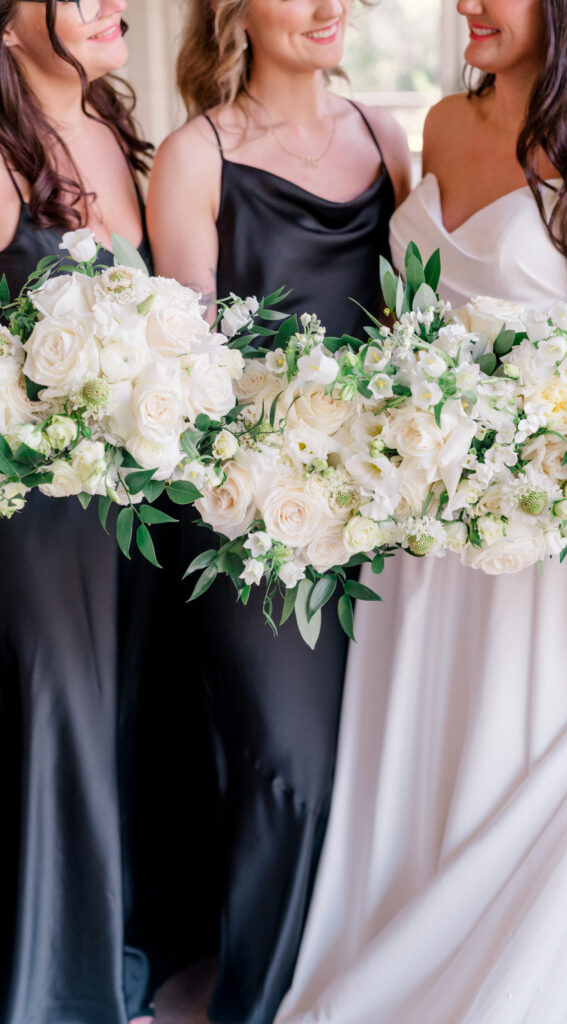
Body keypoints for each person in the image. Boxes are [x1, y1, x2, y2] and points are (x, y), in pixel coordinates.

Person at [274, 1, 567, 1022]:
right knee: (434, 768)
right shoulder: (445, 129)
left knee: (526, 770)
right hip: (429, 534)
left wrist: (541, 464)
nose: (466, 4)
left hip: (554, 545)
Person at [145, 1, 410, 1022]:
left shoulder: (386, 138)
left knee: (374, 767)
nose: (326, 5)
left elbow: (409, 329)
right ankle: (260, 1003)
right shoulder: (195, 154)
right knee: (294, 770)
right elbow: (193, 362)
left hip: (380, 514)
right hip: (252, 520)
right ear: (235, 14)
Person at [0, 2, 155, 1022]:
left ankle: (105, 953)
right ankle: (57, 989)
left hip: (124, 502)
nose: (112, 3)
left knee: (118, 722)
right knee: (58, 718)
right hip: (35, 502)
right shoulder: (3, 154)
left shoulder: (109, 124)